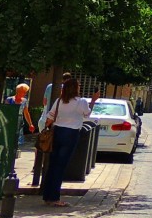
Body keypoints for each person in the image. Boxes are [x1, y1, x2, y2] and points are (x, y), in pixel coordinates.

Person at [42, 79, 99, 207]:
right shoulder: (81, 102)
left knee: (53, 164)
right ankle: (54, 198)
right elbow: (87, 114)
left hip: (57, 132)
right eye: (78, 86)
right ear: (75, 88)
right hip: (71, 134)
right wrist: (94, 100)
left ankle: (47, 195)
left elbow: (50, 118)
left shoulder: (59, 101)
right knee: (60, 166)